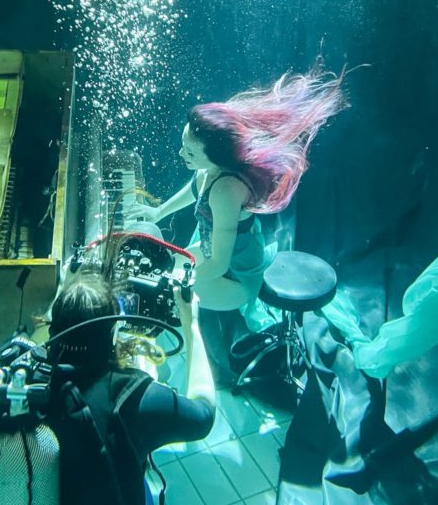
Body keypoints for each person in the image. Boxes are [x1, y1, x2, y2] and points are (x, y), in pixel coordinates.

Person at [127, 65, 347, 329]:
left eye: (190, 152)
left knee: (166, 298)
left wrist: (172, 280)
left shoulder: (224, 191)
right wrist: (158, 212)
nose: (180, 155)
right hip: (217, 251)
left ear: (216, 158)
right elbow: (195, 188)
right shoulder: (209, 169)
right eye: (183, 145)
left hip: (236, 275)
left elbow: (218, 266)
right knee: (164, 268)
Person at [46, 269, 215, 505]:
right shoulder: (133, 398)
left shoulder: (29, 376)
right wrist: (192, 324)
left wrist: (65, 289)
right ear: (113, 334)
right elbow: (203, 415)